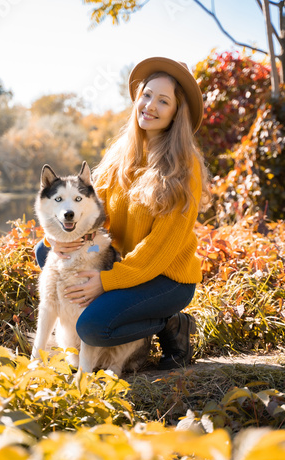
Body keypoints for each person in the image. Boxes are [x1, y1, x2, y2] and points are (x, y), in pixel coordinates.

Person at [35, 56, 211, 370]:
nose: (150, 105)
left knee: (94, 328)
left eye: (163, 100)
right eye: (146, 95)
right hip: (121, 263)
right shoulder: (121, 153)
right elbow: (91, 216)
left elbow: (158, 250)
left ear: (175, 113)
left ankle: (169, 324)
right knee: (45, 251)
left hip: (165, 278)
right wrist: (58, 241)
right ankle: (108, 314)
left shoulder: (185, 167)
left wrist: (107, 281)